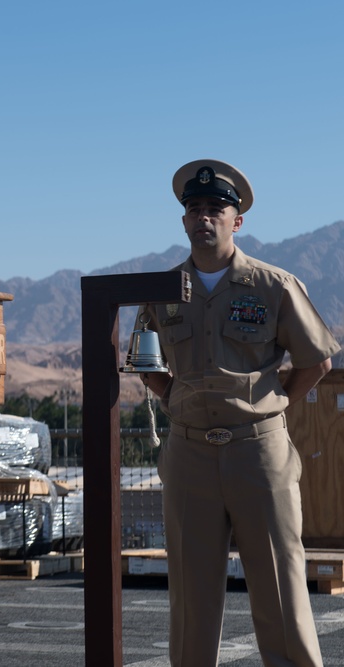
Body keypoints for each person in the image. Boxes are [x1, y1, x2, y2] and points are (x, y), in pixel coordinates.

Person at [140, 158, 340, 666]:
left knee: (281, 589)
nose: (204, 218)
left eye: (215, 208)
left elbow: (316, 361)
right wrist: (178, 403)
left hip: (259, 454)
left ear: (237, 221)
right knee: (190, 598)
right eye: (195, 209)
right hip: (188, 455)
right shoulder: (161, 293)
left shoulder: (274, 286)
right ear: (183, 221)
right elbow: (145, 364)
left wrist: (266, 410)